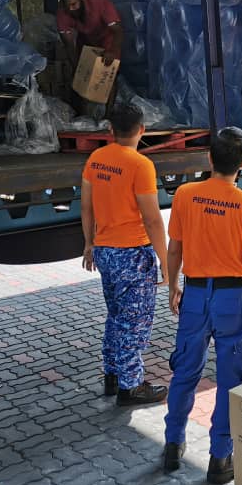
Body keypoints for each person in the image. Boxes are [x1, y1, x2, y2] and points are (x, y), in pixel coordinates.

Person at [162, 127, 242, 484]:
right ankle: (220, 458)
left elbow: (174, 249)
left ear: (209, 158)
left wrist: (173, 285)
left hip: (194, 296)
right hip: (231, 300)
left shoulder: (185, 195)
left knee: (185, 372)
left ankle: (172, 443)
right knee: (230, 380)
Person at [80, 102, 169, 406]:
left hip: (105, 251)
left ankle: (113, 374)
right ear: (142, 130)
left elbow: (87, 207)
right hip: (133, 255)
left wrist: (89, 244)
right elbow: (152, 219)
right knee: (134, 322)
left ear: (110, 130)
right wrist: (166, 261)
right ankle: (130, 387)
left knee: (116, 316)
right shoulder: (140, 165)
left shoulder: (96, 159)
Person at [56, 0, 123, 63]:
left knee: (108, 62)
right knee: (83, 65)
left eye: (73, 4)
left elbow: (118, 30)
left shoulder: (99, 1)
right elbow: (69, 44)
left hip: (107, 38)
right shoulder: (61, 12)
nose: (70, 9)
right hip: (86, 40)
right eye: (67, 6)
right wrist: (75, 66)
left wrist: (113, 51)